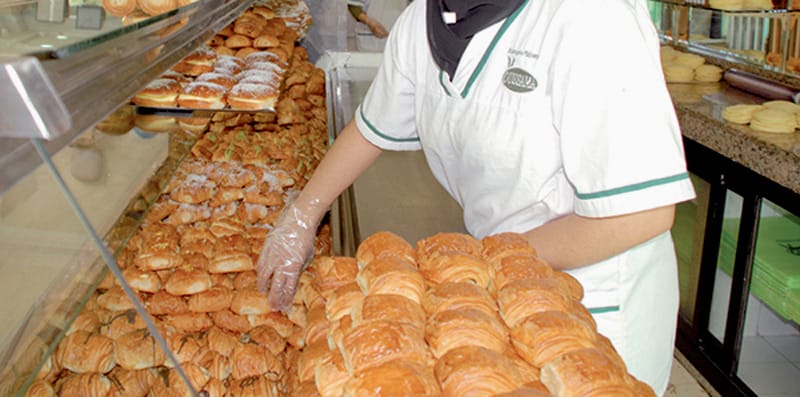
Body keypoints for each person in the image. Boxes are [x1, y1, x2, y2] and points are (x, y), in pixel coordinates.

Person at [257, 0, 696, 395]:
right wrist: (300, 218)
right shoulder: (422, 23)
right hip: (495, 281)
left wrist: (474, 264)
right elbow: (370, 131)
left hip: (594, 296)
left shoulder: (592, 18)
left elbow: (642, 215)